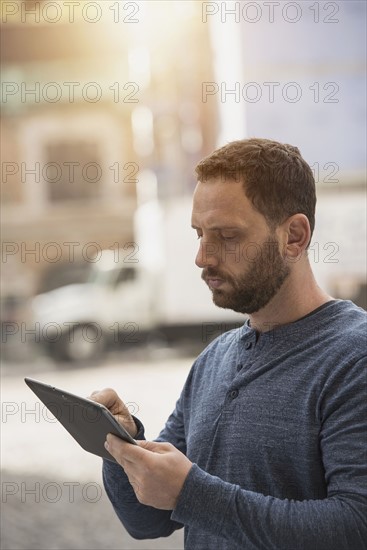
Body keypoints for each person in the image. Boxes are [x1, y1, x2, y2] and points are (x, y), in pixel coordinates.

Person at [90, 138, 367, 549]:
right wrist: (120, 444)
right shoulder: (213, 360)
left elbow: (355, 527)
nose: (203, 256)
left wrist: (193, 494)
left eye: (226, 236)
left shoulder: (353, 357)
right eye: (200, 234)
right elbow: (148, 519)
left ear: (294, 236)